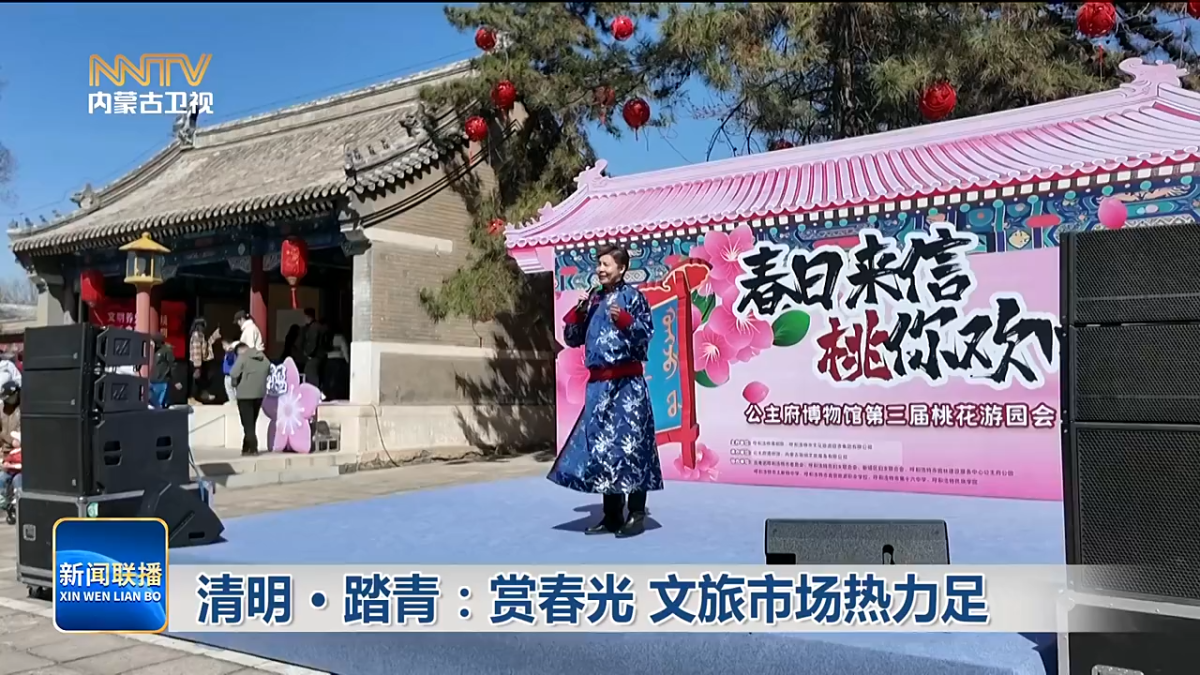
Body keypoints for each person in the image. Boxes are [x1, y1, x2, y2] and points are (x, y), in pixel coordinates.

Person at [548, 244, 662, 538]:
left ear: (621, 269)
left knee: (632, 448)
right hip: (599, 388)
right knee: (602, 449)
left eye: (606, 264)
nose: (600, 269)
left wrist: (625, 320)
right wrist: (578, 313)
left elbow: (645, 336)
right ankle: (612, 514)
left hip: (627, 386)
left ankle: (636, 513)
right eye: (599, 264)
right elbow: (573, 339)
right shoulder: (594, 299)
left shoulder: (633, 298)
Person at [230, 341, 270, 457]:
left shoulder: (243, 357)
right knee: (251, 422)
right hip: (259, 393)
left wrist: (236, 382)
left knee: (247, 423)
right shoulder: (263, 357)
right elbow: (269, 368)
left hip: (245, 394)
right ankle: (246, 448)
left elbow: (233, 373)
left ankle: (253, 447)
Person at [0, 381, 22, 511]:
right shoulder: (2, 410)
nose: (6, 401)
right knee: (2, 479)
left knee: (18, 480)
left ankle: (17, 504)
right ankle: (5, 503)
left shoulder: (24, 408)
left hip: (22, 455)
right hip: (7, 455)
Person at [187, 318, 217, 403]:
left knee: (203, 379)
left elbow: (206, 345)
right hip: (197, 362)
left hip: (202, 361)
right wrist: (197, 366)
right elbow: (197, 350)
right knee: (196, 380)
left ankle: (201, 395)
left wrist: (214, 337)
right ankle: (193, 398)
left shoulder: (202, 335)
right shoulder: (196, 335)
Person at [298, 308, 327, 392]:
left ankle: (314, 393)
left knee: (311, 375)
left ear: (308, 317)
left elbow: (312, 342)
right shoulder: (318, 326)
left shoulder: (313, 327)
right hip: (320, 355)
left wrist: (307, 353)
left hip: (315, 356)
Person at [149, 334, 175, 409]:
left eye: (153, 342)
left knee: (159, 404)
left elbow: (172, 365)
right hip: (152, 380)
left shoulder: (166, 351)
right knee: (151, 403)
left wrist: (175, 380)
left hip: (162, 381)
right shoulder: (153, 350)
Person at [324, 327, 350, 401]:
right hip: (339, 360)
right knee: (338, 381)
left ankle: (329, 396)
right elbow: (345, 349)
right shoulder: (340, 337)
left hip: (329, 360)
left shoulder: (327, 336)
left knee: (329, 380)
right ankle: (338, 396)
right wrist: (347, 361)